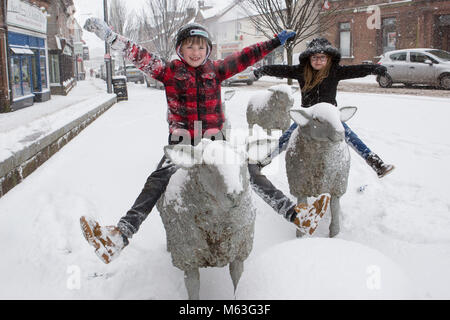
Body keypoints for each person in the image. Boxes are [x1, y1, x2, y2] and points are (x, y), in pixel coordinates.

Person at [79, 18, 331, 264]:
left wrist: (275, 41)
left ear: (208, 49)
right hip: (183, 142)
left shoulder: (217, 70)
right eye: (190, 46)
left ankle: (297, 215)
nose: (196, 52)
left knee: (250, 170)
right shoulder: (169, 72)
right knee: (157, 180)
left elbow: (246, 56)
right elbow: (139, 55)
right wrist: (111, 37)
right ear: (180, 49)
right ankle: (120, 235)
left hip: (215, 141)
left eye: (201, 47)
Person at [254, 37, 395, 178]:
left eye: (322, 57)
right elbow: (281, 70)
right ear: (309, 58)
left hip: (329, 115)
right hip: (308, 114)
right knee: (286, 138)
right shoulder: (301, 71)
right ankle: (263, 161)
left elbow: (357, 69)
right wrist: (264, 70)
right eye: (314, 57)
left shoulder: (334, 71)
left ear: (328, 59)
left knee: (349, 135)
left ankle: (376, 163)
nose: (318, 61)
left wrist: (375, 69)